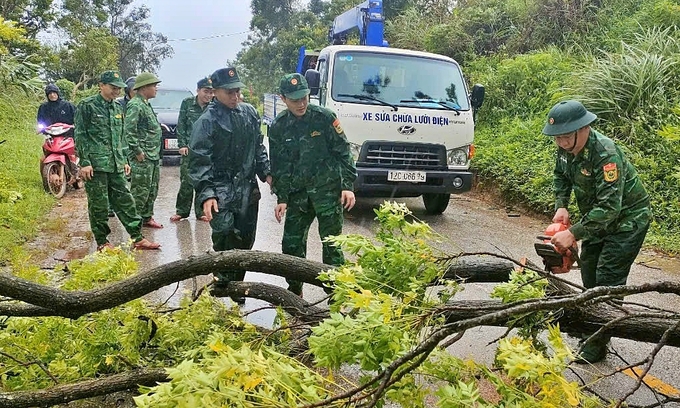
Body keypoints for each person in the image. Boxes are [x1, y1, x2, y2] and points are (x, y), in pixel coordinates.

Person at [543, 100, 651, 364]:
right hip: (596, 220)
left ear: (584, 129)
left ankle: (598, 342)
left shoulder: (606, 154)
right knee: (589, 274)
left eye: (566, 137)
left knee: (608, 279)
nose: (561, 143)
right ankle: (592, 325)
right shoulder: (564, 149)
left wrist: (573, 233)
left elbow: (610, 208)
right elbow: (560, 175)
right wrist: (562, 205)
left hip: (627, 222)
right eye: (557, 138)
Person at [269, 73, 357, 296]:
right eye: (295, 99)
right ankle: (294, 292)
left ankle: (335, 296)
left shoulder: (325, 118)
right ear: (283, 98)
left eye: (304, 97)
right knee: (291, 246)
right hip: (298, 196)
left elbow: (344, 153)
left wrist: (347, 186)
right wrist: (282, 198)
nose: (301, 103)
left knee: (332, 246)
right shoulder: (279, 126)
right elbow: (279, 165)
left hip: (327, 192)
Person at [189, 67, 272, 301]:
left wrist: (266, 172)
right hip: (220, 189)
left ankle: (236, 286)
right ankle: (220, 282)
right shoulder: (207, 121)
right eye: (229, 92)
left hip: (247, 188)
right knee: (225, 235)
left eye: (237, 92)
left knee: (245, 239)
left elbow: (258, 147)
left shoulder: (249, 113)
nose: (235, 97)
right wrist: (207, 194)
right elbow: (199, 160)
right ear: (215, 92)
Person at [73, 70, 160, 251]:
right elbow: (80, 135)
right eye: (113, 88)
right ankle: (102, 242)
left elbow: (120, 136)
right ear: (101, 86)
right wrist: (85, 162)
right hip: (96, 165)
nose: (116, 92)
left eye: (119, 88)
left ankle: (137, 237)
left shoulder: (117, 107)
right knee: (99, 205)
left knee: (125, 201)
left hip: (116, 164)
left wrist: (124, 160)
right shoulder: (87, 106)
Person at [170, 76, 214, 222]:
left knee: (204, 179)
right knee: (186, 182)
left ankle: (201, 211)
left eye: (211, 92)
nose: (208, 95)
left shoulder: (214, 105)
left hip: (207, 150)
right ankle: (181, 211)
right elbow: (181, 124)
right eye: (206, 91)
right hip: (189, 148)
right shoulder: (187, 103)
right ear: (198, 90)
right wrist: (182, 144)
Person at [124, 72, 164, 229]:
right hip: (143, 156)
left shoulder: (145, 103)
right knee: (140, 192)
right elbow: (129, 131)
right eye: (154, 86)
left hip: (152, 155)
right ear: (144, 88)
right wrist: (137, 151)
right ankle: (134, 225)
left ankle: (147, 217)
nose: (156, 89)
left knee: (152, 190)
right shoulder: (135, 105)